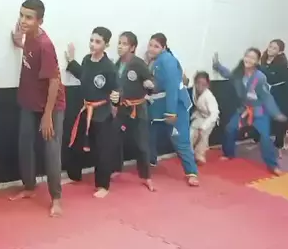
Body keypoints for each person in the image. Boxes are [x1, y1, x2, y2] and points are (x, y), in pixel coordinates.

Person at [9, 0, 65, 216]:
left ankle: (56, 198)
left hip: (51, 105)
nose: (23, 21)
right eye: (21, 15)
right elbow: (30, 55)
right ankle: (29, 187)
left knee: (51, 150)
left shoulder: (45, 45)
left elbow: (54, 81)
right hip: (30, 101)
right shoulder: (29, 37)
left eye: (29, 18)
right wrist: (18, 41)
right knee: (25, 144)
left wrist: (48, 115)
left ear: (40, 21)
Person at [64, 27, 119, 198]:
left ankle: (103, 185)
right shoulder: (87, 60)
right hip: (85, 109)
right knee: (76, 143)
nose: (93, 44)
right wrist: (71, 61)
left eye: (98, 42)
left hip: (102, 112)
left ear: (106, 45)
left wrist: (116, 98)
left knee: (102, 150)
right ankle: (74, 175)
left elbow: (116, 89)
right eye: (91, 40)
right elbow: (83, 75)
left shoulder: (109, 67)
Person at [213, 48, 287, 174]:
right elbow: (228, 74)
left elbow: (267, 97)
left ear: (257, 62)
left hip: (259, 111)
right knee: (230, 128)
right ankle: (228, 154)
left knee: (265, 137)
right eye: (247, 56)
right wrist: (217, 66)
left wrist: (276, 113)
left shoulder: (260, 77)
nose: (248, 59)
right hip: (244, 109)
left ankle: (273, 165)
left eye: (252, 58)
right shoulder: (238, 75)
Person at [146, 33, 200, 187]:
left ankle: (192, 172)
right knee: (149, 132)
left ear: (164, 47)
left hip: (176, 106)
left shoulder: (167, 60)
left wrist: (171, 112)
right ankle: (150, 160)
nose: (152, 48)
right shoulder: (154, 61)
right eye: (150, 45)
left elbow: (172, 87)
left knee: (180, 140)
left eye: (156, 46)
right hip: (158, 105)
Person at [112, 31, 155, 191]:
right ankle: (116, 168)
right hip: (122, 108)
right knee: (115, 139)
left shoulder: (138, 64)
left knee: (141, 144)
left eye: (124, 44)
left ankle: (146, 176)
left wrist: (150, 85)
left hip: (138, 108)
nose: (120, 46)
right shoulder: (117, 64)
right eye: (119, 43)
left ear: (132, 47)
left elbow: (151, 81)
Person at [190, 71, 219, 164]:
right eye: (198, 83)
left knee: (203, 135)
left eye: (203, 84)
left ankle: (199, 156)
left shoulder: (209, 96)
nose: (200, 86)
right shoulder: (194, 91)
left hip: (210, 118)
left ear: (207, 85)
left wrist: (204, 126)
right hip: (200, 115)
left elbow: (214, 113)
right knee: (191, 133)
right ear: (195, 82)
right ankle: (189, 153)